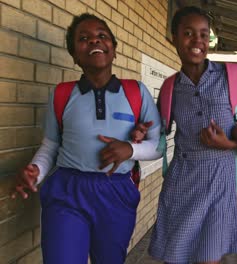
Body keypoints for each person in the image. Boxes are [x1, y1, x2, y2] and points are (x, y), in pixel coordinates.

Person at [11, 13, 161, 264]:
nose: (94, 41)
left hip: (116, 191)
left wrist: (129, 150)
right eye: (84, 38)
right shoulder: (61, 94)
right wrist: (35, 171)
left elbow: (158, 145)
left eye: (102, 36)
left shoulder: (136, 92)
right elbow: (50, 145)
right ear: (74, 54)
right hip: (67, 190)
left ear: (114, 50)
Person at [140, 6, 237, 264]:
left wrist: (227, 142)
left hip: (219, 183)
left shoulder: (231, 78)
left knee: (209, 259)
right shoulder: (171, 87)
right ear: (174, 38)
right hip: (182, 184)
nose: (197, 41)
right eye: (189, 33)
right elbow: (156, 133)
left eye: (204, 35)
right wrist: (140, 131)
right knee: (176, 258)